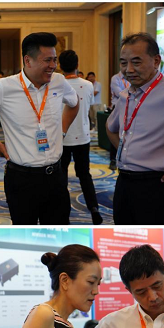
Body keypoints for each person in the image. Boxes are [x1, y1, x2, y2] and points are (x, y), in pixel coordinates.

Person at [0, 32, 80, 225]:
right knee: (24, 230)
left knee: (58, 231)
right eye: (47, 60)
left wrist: (62, 130)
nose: (53, 65)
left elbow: (74, 103)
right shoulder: (4, 87)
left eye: (54, 60)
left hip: (55, 175)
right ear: (28, 60)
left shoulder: (58, 81)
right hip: (22, 179)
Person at [107, 33, 164, 225]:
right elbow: (110, 128)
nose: (129, 69)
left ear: (156, 61)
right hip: (124, 182)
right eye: (123, 63)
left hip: (158, 185)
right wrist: (126, 152)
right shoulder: (126, 95)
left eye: (136, 62)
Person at [59, 49, 103, 225]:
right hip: (83, 136)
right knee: (85, 175)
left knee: (61, 176)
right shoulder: (88, 85)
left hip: (62, 137)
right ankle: (94, 208)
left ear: (60, 66)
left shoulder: (56, 85)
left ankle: (63, 213)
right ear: (77, 65)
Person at [108, 70, 130, 170]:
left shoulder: (132, 77)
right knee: (115, 131)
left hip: (131, 106)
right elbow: (120, 93)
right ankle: (113, 159)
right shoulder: (115, 78)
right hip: (118, 107)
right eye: (123, 63)